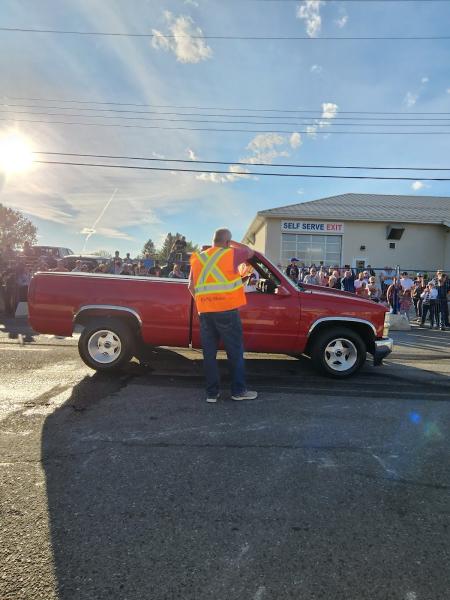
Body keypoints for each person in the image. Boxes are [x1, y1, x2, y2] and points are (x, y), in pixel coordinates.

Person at [189, 228, 257, 403]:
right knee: (234, 352)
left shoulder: (198, 257)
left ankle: (212, 394)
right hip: (227, 311)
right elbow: (252, 252)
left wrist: (203, 303)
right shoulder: (231, 254)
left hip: (204, 312)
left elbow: (190, 286)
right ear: (227, 242)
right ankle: (238, 391)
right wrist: (232, 243)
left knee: (209, 354)